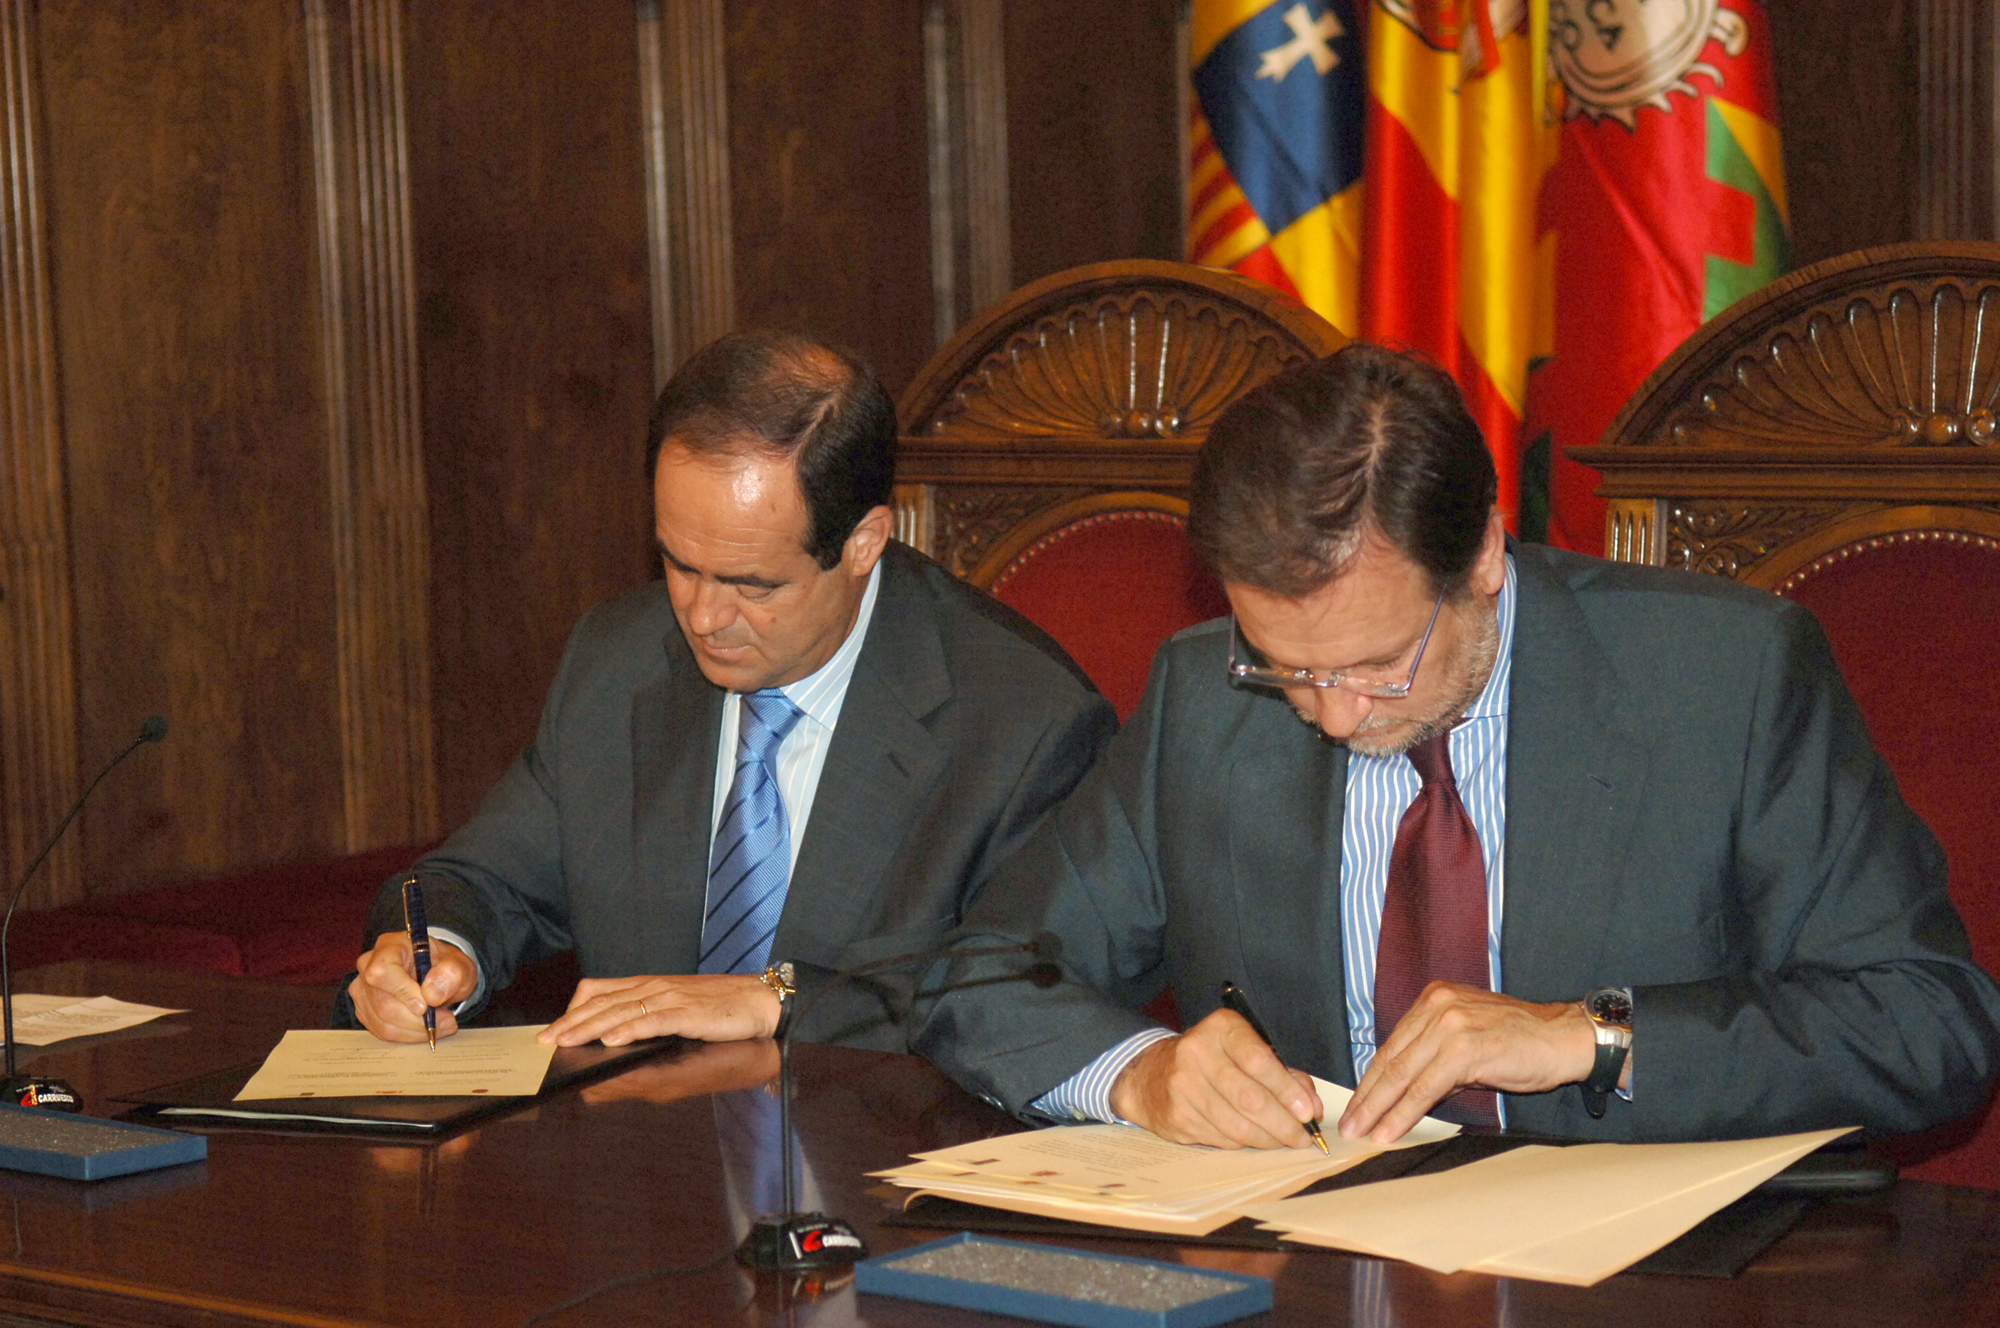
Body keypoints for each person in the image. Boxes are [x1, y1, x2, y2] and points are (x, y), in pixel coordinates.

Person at [907, 342, 2000, 1148]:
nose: (1335, 714)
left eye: (1378, 663)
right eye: (1283, 665)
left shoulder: (1727, 679)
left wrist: (1588, 1036)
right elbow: (984, 973)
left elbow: (1930, 1023)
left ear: (1480, 553)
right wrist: (1141, 1074)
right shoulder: (1206, 696)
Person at [344, 330, 1117, 1050]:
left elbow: (1029, 989)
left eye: (751, 584)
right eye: (680, 565)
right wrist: (436, 951)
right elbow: (481, 880)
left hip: (885, 1140)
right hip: (640, 1137)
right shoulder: (620, 661)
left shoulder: (1022, 724)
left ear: (863, 543)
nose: (703, 617)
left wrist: (781, 996)